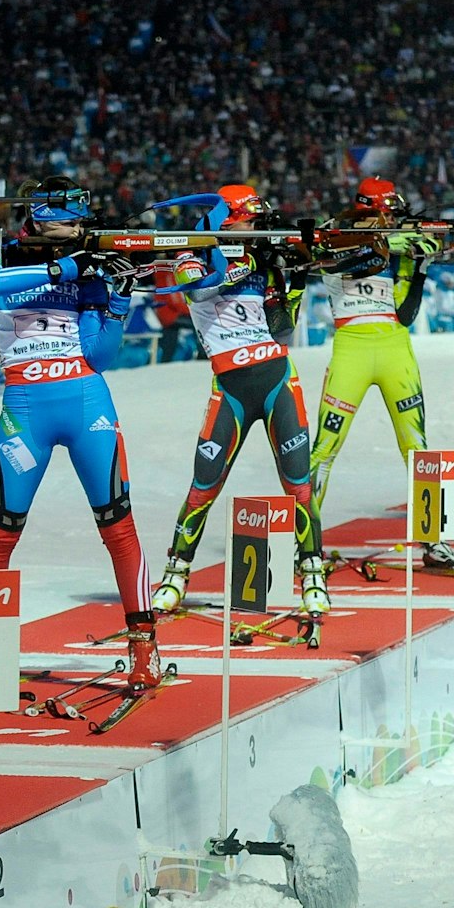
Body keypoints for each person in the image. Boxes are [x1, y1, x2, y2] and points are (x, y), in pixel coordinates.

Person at [0, 182, 160, 686]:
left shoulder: (88, 260)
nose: (79, 228)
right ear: (40, 215)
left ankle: (145, 651)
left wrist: (116, 301)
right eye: (70, 220)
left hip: (86, 402)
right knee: (0, 533)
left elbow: (100, 355)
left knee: (119, 528)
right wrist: (64, 269)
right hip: (24, 408)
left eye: (81, 221)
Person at [151, 185, 327, 616]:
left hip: (276, 378)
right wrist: (241, 263)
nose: (259, 226)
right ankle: (175, 574)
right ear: (228, 220)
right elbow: (196, 290)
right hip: (229, 386)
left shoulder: (263, 257)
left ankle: (313, 575)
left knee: (298, 485)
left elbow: (284, 330)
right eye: (252, 219)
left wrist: (293, 279)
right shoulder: (194, 251)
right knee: (203, 485)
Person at [304, 177, 453, 562]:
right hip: (351, 347)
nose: (390, 218)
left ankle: (433, 538)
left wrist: (420, 266)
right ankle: (305, 544)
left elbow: (405, 313)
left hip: (394, 347)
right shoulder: (334, 234)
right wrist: (389, 242)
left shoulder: (394, 250)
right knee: (324, 448)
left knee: (416, 445)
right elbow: (323, 253)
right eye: (385, 211)